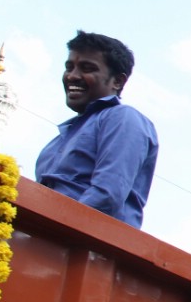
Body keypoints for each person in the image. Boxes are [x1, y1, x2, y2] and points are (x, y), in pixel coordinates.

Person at [35, 31, 158, 228]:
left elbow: (106, 195)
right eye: (69, 67)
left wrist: (46, 227)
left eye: (87, 68)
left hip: (85, 246)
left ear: (118, 81)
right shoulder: (59, 140)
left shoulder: (123, 118)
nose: (72, 76)